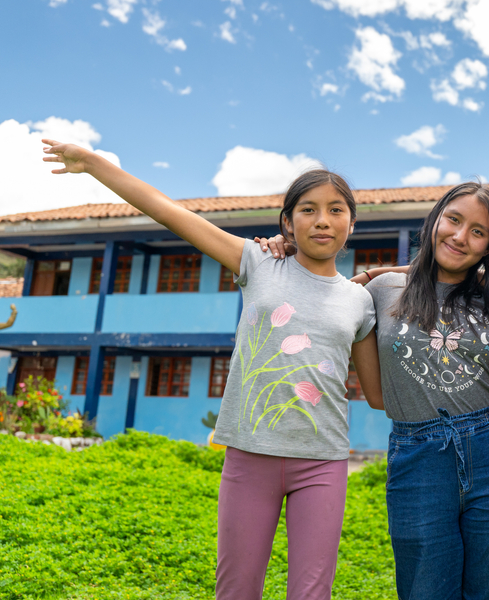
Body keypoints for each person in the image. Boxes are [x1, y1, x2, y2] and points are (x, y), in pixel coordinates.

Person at [41, 139, 384, 600]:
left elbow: (379, 395)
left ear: (352, 222)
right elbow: (170, 213)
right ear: (287, 221)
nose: (322, 220)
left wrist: (387, 276)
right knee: (236, 591)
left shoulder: (360, 301)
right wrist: (96, 165)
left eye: (336, 210)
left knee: (311, 594)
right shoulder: (260, 262)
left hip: (322, 461)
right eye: (308, 209)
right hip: (248, 454)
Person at [258, 182, 489, 600]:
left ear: (488, 248)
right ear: (435, 220)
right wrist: (285, 246)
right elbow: (376, 395)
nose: (461, 236)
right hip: (416, 454)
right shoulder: (379, 290)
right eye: (454, 220)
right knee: (425, 589)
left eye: (478, 232)